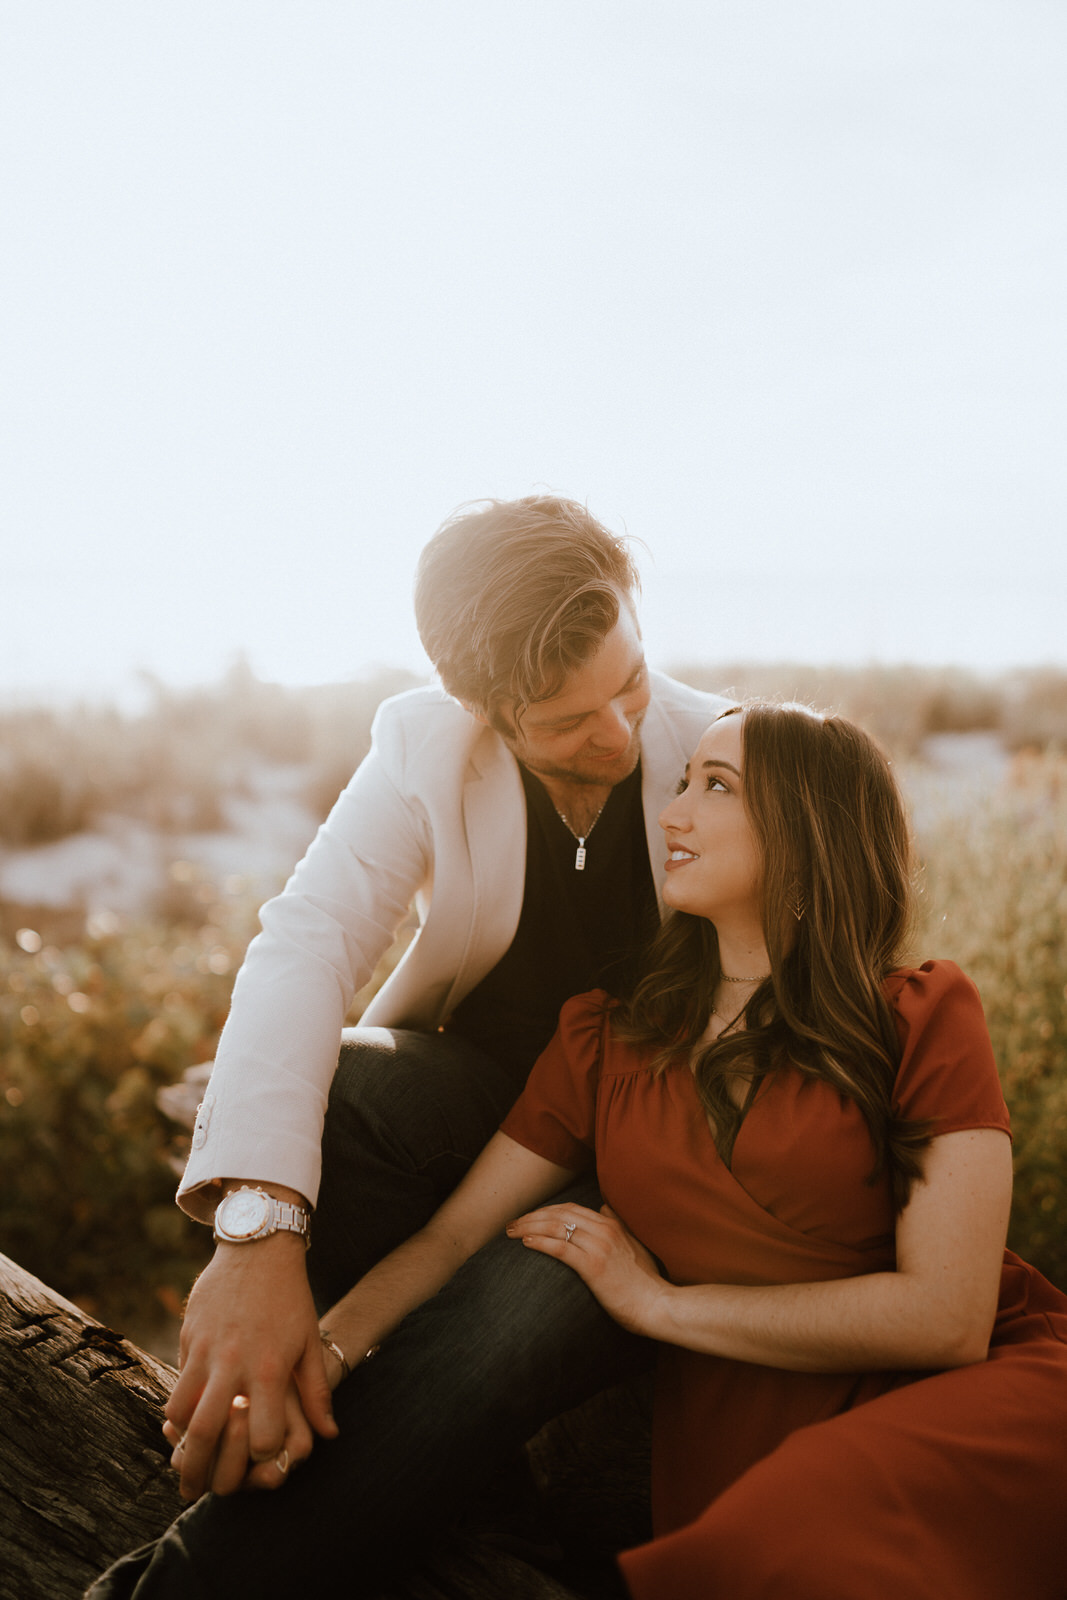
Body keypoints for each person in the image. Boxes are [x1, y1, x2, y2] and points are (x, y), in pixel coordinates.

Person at [92, 698, 1067, 1599]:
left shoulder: (919, 1013)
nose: (675, 810)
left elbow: (944, 1318)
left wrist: (659, 1304)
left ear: (808, 829)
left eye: (715, 786)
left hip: (950, 1401)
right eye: (681, 780)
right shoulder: (606, 1036)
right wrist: (315, 1359)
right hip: (729, 1417)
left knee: (797, 1537)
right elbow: (449, 1238)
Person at [87, 494, 726, 1593]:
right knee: (327, 1102)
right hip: (481, 1112)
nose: (618, 735)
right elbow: (307, 941)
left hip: (654, 1165)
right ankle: (467, 1492)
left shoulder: (727, 748)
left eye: (628, 684)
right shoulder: (426, 745)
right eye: (567, 719)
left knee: (507, 1325)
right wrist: (257, 1241)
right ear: (481, 704)